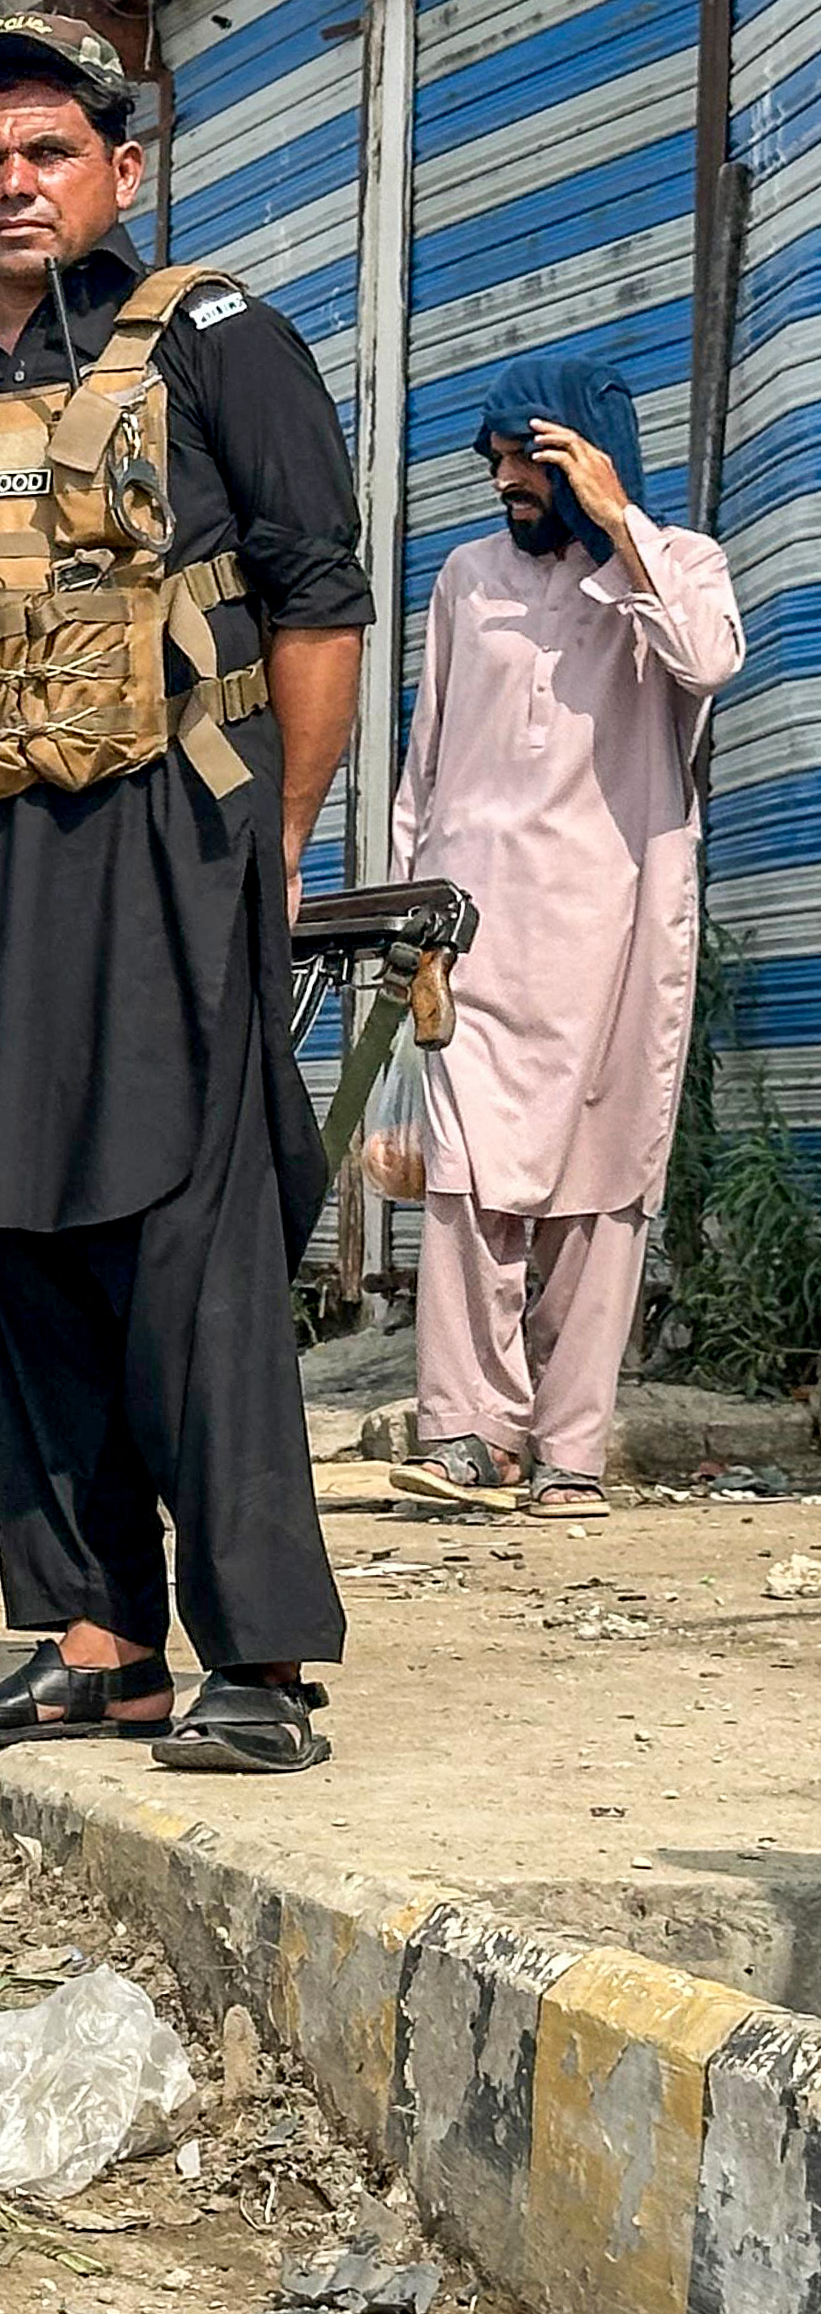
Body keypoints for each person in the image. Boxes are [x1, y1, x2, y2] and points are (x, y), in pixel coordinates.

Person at [0, 15, 369, 1774]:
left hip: (168, 850)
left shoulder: (217, 339)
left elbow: (319, 599)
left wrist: (275, 841)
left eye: (46, 153)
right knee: (24, 1245)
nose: (14, 184)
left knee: (188, 1254)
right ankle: (95, 1645)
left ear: (117, 173)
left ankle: (259, 1666)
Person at [388, 355, 743, 1521]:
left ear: (581, 462)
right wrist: (402, 914)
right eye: (494, 466)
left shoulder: (676, 567)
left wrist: (616, 523)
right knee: (462, 1179)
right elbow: (424, 760)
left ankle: (568, 1450)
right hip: (471, 922)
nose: (504, 487)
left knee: (599, 1192)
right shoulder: (463, 576)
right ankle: (465, 1434)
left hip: (617, 930)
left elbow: (706, 661)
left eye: (524, 467)